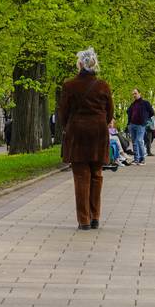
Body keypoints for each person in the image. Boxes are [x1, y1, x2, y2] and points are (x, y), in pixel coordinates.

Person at [58, 48, 114, 230]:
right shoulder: (103, 86)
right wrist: (100, 122)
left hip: (78, 134)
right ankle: (95, 216)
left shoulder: (69, 85)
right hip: (98, 133)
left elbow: (63, 113)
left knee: (81, 176)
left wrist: (68, 126)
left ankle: (84, 220)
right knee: (97, 174)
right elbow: (110, 112)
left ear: (80, 64)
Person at [126, 88, 154, 165]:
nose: (134, 95)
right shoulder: (133, 104)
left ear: (139, 93)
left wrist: (145, 119)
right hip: (132, 125)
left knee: (139, 140)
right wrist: (129, 123)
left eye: (135, 93)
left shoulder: (145, 103)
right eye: (133, 94)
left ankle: (142, 159)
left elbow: (152, 112)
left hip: (141, 125)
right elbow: (128, 112)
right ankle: (136, 159)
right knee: (134, 142)